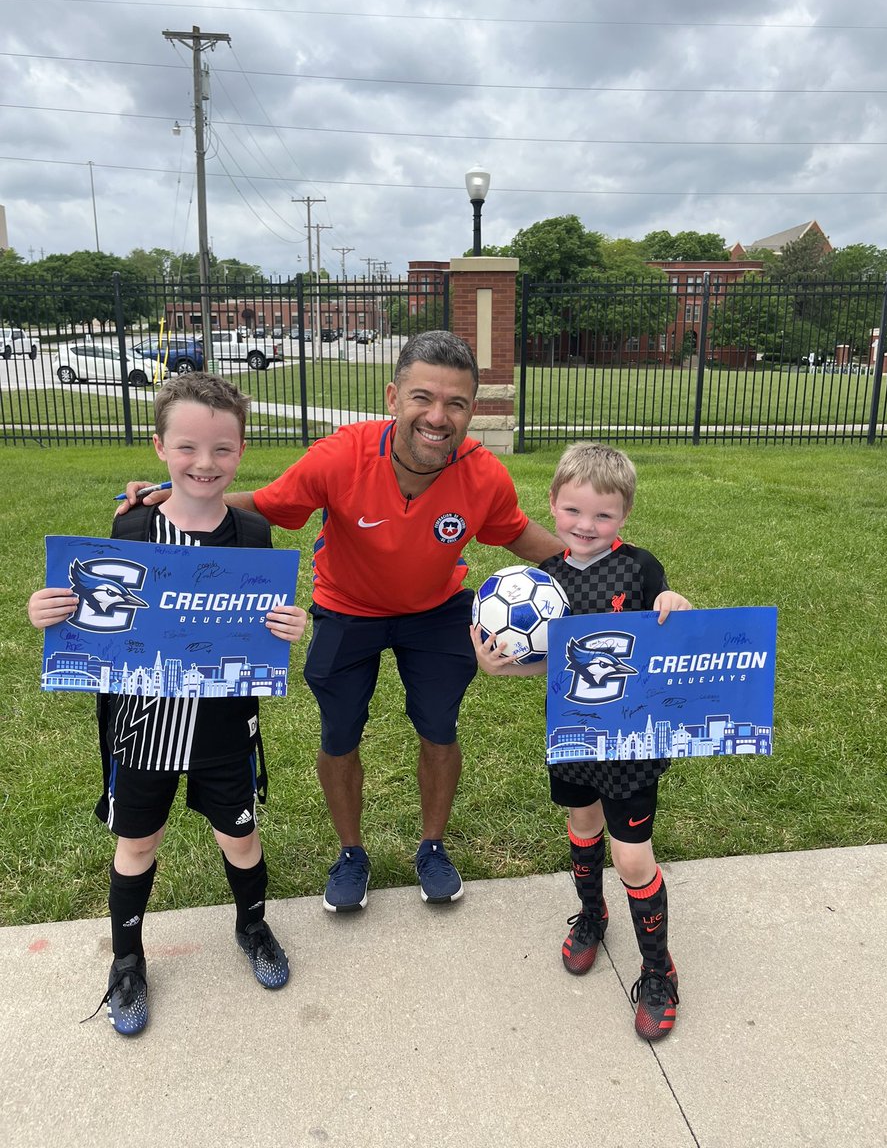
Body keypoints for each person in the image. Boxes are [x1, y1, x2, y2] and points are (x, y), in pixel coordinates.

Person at [117, 331, 563, 914]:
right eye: (422, 398)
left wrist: (609, 568)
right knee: (339, 733)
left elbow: (524, 537)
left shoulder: (483, 474)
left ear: (471, 410)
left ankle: (432, 847)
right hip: (346, 608)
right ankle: (351, 853)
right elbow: (266, 504)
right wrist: (171, 493)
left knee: (439, 727)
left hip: (434, 612)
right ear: (392, 397)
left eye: (456, 403)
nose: (438, 416)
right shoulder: (340, 456)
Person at [28, 373, 306, 1036]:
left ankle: (252, 925)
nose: (204, 464)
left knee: (239, 835)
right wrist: (51, 613)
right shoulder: (132, 524)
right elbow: (101, 611)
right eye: (187, 448)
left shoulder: (251, 534)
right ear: (159, 447)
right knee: (137, 843)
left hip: (221, 721)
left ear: (241, 450)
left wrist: (288, 628)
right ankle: (127, 960)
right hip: (144, 720)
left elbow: (259, 618)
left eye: (221, 450)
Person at [471, 443, 692, 1042]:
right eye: (572, 512)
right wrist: (499, 669)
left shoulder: (641, 568)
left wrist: (674, 605)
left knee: (632, 856)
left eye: (603, 515)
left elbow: (665, 627)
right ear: (552, 505)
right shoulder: (546, 580)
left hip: (630, 742)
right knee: (582, 825)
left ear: (624, 516)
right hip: (573, 735)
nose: (585, 526)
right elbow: (550, 664)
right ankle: (593, 915)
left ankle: (657, 970)